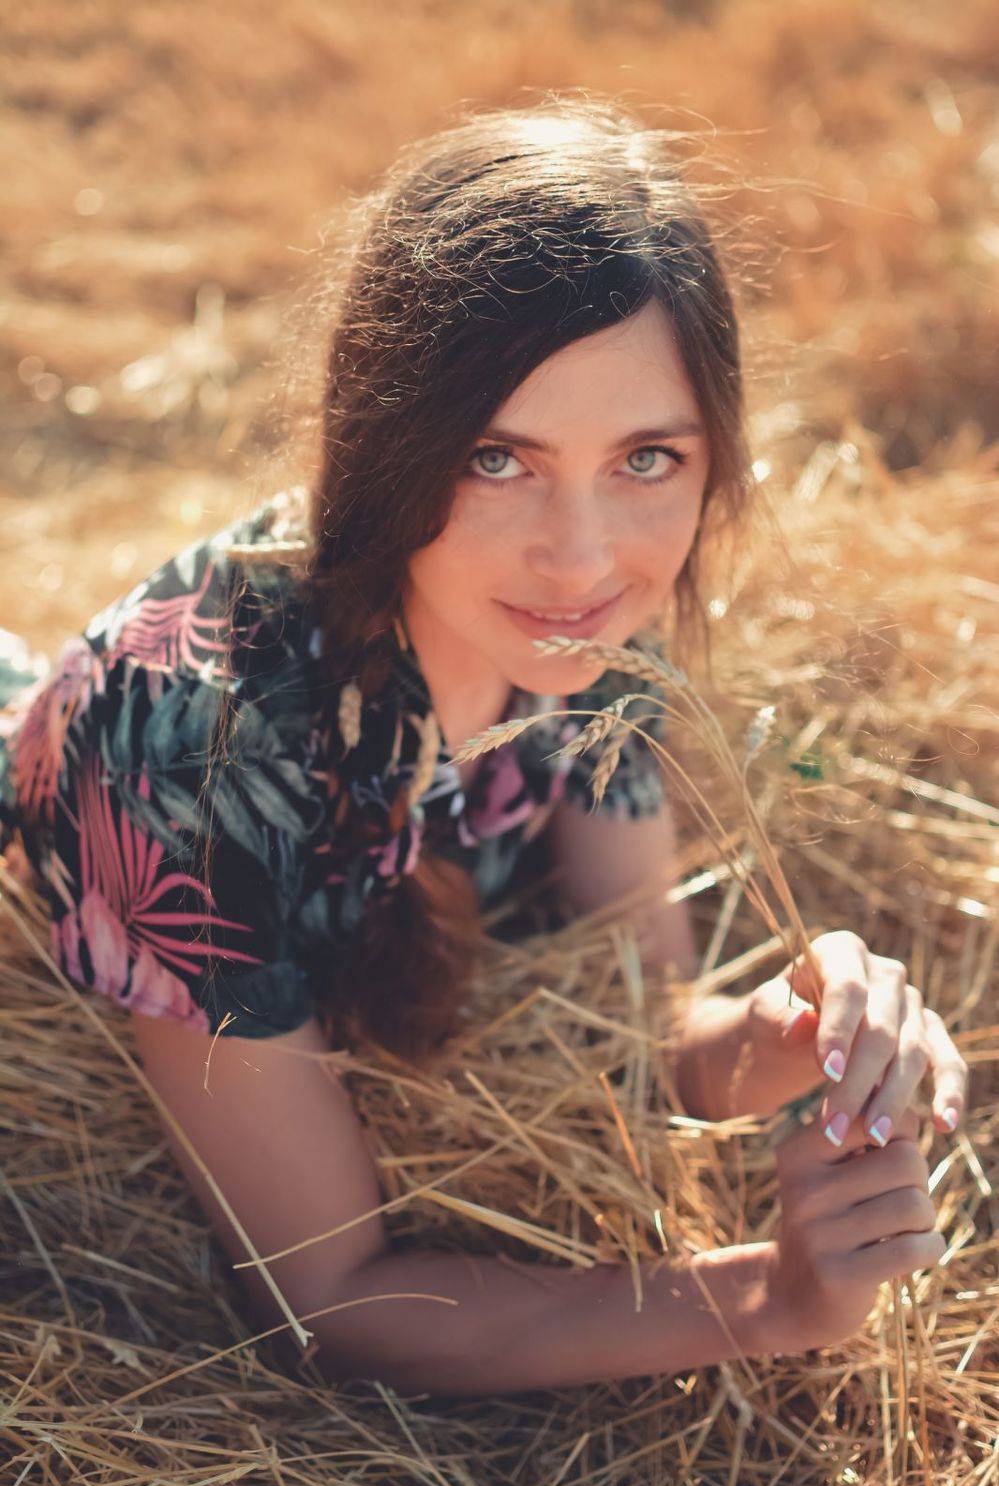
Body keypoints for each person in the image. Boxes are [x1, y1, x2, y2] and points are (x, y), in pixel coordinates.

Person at [0, 96, 967, 1398]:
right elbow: (327, 1300)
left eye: (645, 458)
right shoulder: (187, 755)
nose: (581, 556)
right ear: (385, 442)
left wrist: (799, 1027)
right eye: (498, 458)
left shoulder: (584, 636)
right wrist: (765, 1299)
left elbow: (645, 1015)